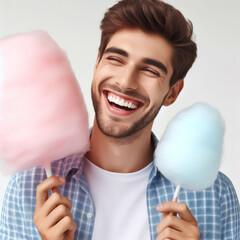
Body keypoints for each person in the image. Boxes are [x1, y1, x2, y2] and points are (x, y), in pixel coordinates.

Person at [0, 0, 239, 239]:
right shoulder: (29, 187)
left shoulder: (215, 194)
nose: (125, 82)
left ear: (172, 92)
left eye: (150, 70)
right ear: (97, 62)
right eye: (116, 59)